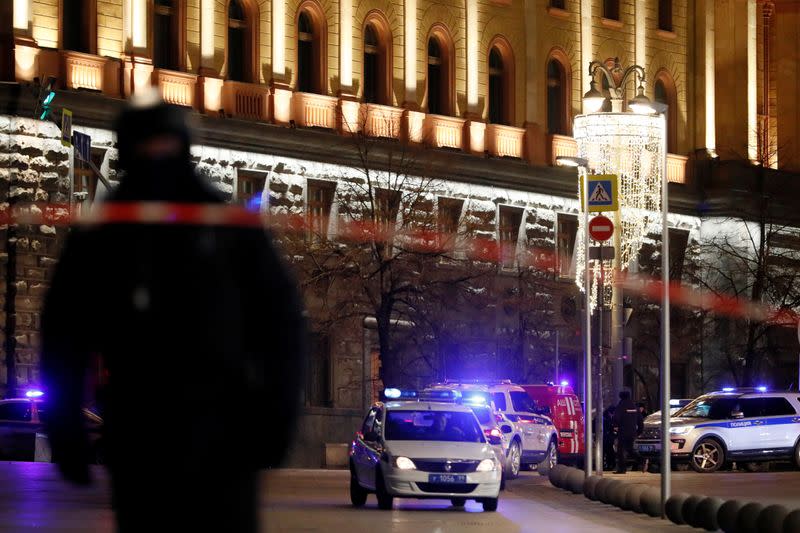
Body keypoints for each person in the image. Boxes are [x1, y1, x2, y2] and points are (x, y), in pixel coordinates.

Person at [40, 90, 306, 533]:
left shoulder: (111, 231)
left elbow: (281, 328)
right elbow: (65, 336)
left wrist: (66, 432)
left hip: (190, 439)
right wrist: (275, 426)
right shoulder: (215, 224)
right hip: (171, 439)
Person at [611, 390, 643, 474]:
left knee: (620, 450)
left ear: (621, 397)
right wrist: (639, 431)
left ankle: (622, 469)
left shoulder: (621, 405)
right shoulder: (634, 406)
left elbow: (616, 417)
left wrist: (615, 426)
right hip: (632, 432)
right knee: (629, 449)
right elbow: (640, 420)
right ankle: (642, 460)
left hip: (623, 431)